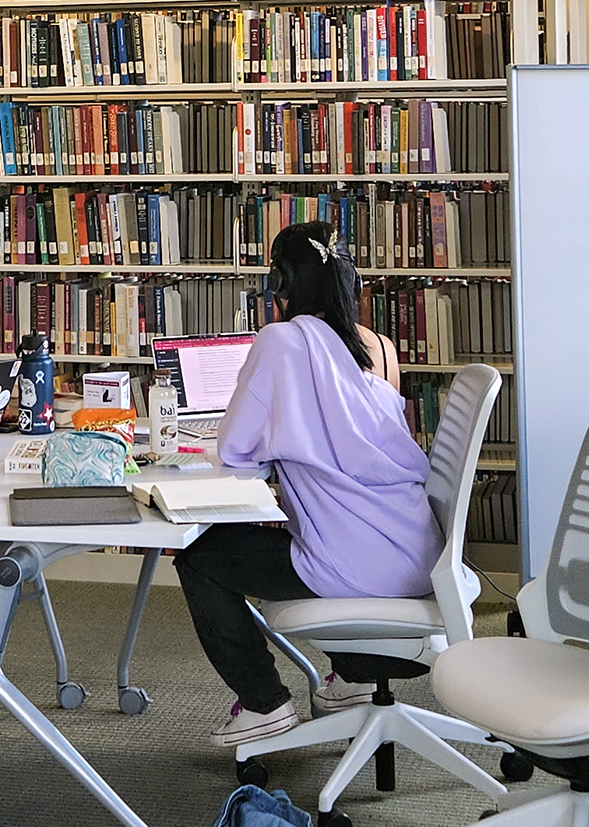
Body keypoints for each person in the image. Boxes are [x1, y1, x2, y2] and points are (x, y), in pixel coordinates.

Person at [175, 220, 443, 748]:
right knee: (299, 535)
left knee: (200, 556)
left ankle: (264, 703)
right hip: (419, 555)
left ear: (281, 285)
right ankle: (354, 678)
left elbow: (234, 451)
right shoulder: (379, 349)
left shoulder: (282, 341)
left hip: (357, 564)